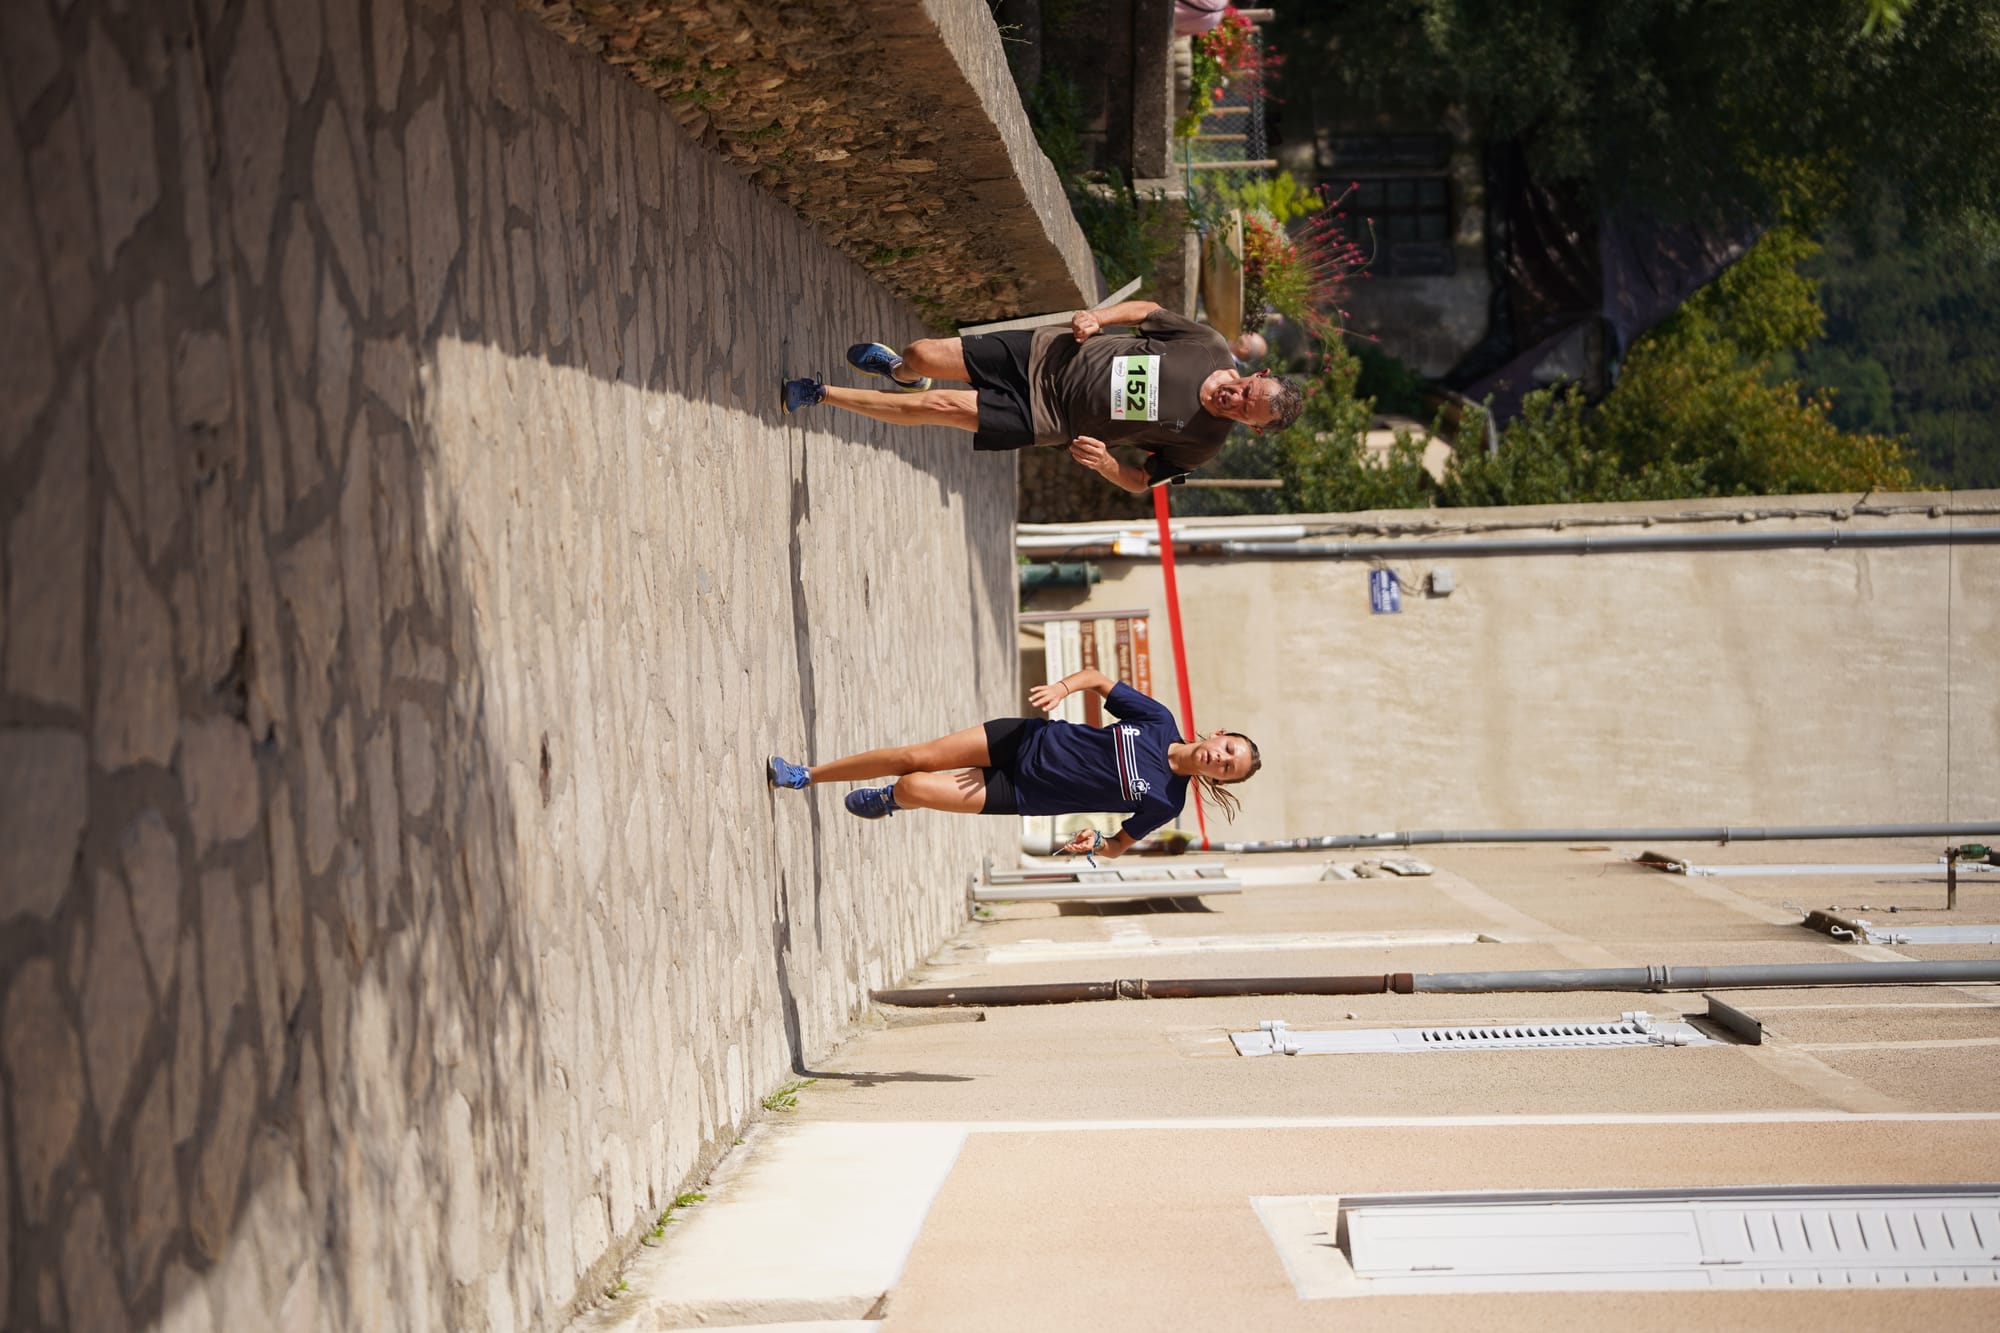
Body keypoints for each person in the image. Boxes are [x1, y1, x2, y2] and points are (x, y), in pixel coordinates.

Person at [778, 299, 1305, 492]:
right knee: (921, 354)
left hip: (1045, 418)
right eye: (1247, 389)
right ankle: (900, 369)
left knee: (936, 408)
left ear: (1252, 427)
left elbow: (1142, 481)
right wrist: (1097, 317)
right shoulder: (1207, 344)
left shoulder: (1201, 445)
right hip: (1043, 354)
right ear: (1258, 374)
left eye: (1244, 410)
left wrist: (1104, 465)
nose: (1234, 398)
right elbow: (1147, 313)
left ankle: (819, 394)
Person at [766, 667, 1260, 859]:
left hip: (1020, 794)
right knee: (913, 756)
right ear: (1217, 736)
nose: (1220, 761)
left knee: (914, 786)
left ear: (1219, 778)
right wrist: (1061, 689)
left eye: (1226, 769)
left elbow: (1116, 847)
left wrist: (1095, 841)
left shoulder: (1165, 802)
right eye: (1228, 751)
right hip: (1020, 739)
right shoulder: (1157, 719)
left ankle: (893, 799)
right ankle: (805, 775)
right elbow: (1096, 678)